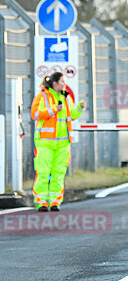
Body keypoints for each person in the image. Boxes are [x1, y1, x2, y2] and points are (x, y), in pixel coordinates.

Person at [30, 72, 85, 212]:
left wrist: (79, 108)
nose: (64, 84)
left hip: (63, 143)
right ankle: (41, 202)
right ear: (55, 83)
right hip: (45, 142)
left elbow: (71, 115)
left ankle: (55, 202)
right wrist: (53, 110)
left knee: (59, 173)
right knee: (43, 173)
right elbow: (35, 114)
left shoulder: (66, 98)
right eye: (62, 81)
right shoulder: (42, 96)